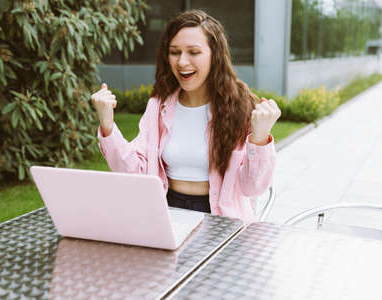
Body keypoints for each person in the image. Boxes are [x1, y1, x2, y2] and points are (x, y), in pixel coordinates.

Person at [91, 10, 281, 223]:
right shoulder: (158, 107)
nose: (182, 62)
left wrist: (260, 139)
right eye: (175, 52)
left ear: (215, 55)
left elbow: (252, 187)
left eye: (194, 52)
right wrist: (107, 125)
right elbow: (133, 171)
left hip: (221, 218)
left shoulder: (242, 107)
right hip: (167, 211)